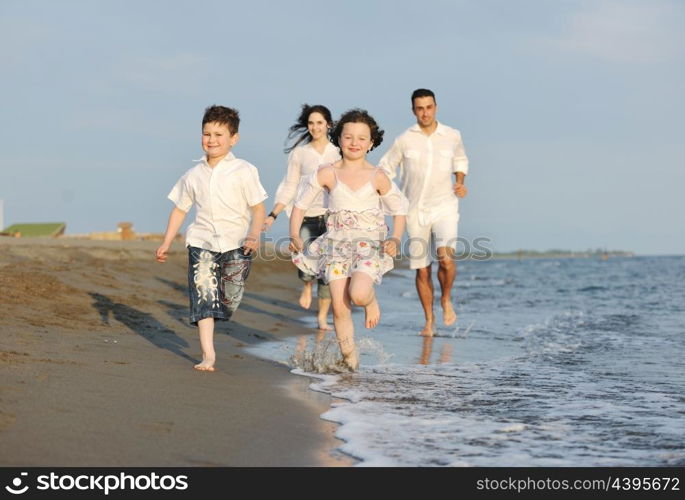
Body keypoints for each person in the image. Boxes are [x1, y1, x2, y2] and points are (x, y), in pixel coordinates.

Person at [289, 109, 408, 371]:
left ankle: (371, 300)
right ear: (338, 139)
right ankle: (350, 360)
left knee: (358, 293)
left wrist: (396, 239)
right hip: (335, 246)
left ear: (371, 142)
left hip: (368, 246)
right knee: (340, 308)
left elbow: (399, 209)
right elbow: (300, 205)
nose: (354, 143)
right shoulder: (327, 173)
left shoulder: (378, 176)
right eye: (348, 137)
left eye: (362, 138)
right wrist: (295, 234)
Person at [156, 105, 267, 372]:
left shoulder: (244, 170)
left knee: (228, 301)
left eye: (219, 134)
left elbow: (258, 207)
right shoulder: (193, 175)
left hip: (237, 243)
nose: (212, 140)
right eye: (207, 134)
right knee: (204, 297)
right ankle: (208, 354)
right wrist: (167, 241)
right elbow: (180, 209)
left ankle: (221, 310)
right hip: (201, 242)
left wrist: (254, 234)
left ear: (234, 138)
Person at [378, 88, 469, 337]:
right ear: (413, 110)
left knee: (446, 258)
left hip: (445, 205)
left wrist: (460, 181)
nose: (425, 112)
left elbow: (460, 161)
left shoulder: (452, 135)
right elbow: (386, 168)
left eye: (429, 107)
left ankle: (446, 299)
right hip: (414, 209)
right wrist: (388, 197)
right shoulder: (404, 139)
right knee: (422, 268)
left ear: (436, 107)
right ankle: (429, 321)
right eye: (420, 108)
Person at [263, 104, 340, 330]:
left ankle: (322, 316)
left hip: (331, 218)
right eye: (311, 123)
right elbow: (289, 186)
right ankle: (306, 285)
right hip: (305, 216)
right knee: (306, 263)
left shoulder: (338, 151)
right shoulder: (300, 154)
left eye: (319, 123)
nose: (315, 127)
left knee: (328, 269)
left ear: (328, 124)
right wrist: (273, 214)